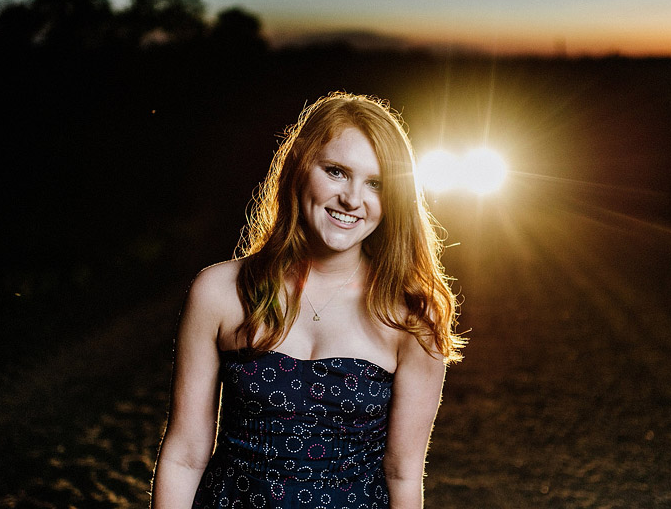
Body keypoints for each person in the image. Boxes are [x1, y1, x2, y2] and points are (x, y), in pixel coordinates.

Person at [151, 91, 465, 509]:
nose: (353, 199)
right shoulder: (218, 292)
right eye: (337, 172)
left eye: (376, 184)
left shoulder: (410, 317)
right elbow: (185, 456)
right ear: (300, 166)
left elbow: (402, 473)